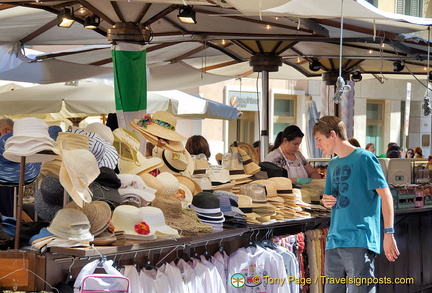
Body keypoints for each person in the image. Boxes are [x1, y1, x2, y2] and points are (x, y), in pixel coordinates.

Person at [313, 116, 399, 292]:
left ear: (332, 134)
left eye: (319, 139)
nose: (318, 145)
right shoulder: (333, 164)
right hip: (334, 239)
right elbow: (328, 198)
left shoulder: (365, 158)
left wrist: (389, 233)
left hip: (360, 237)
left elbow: (386, 195)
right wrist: (326, 201)